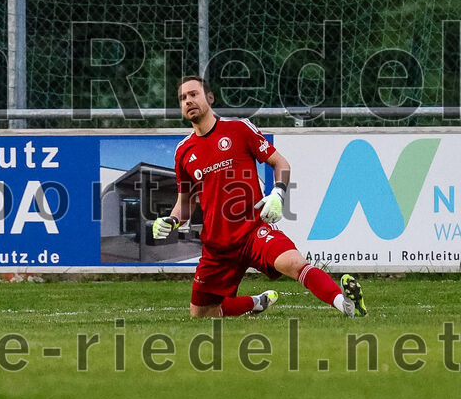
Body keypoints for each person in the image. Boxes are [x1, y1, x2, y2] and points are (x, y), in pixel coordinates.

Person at [152, 75, 368, 318]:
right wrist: (171, 220)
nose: (188, 100)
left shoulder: (238, 129)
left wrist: (278, 193)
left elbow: (280, 163)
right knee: (201, 314)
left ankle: (345, 304)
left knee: (295, 264)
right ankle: (257, 302)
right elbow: (185, 204)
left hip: (253, 231)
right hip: (217, 247)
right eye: (183, 98)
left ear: (210, 98)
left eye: (194, 94)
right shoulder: (183, 151)